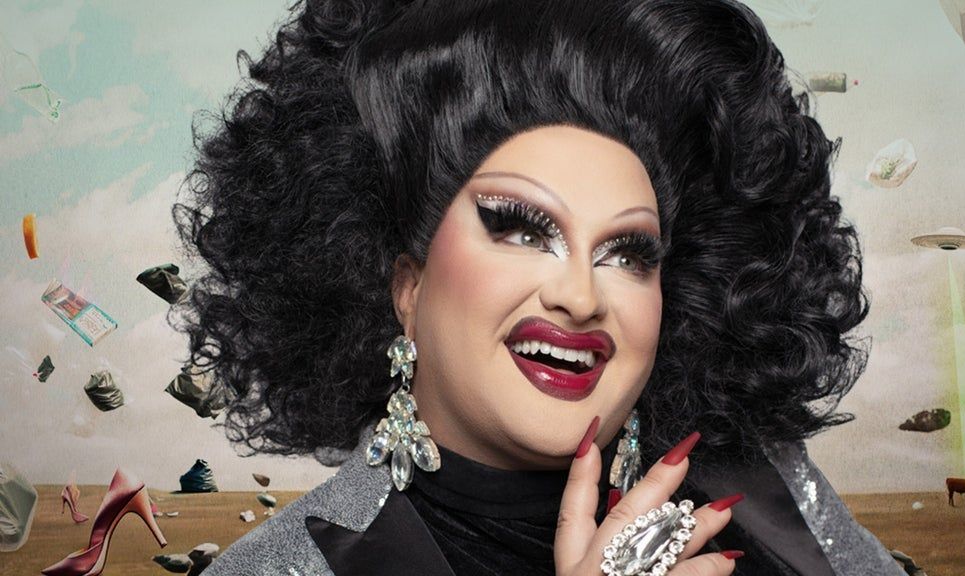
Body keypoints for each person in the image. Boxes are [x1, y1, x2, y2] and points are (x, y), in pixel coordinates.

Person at [175, 0, 904, 574]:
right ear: (406, 287)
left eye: (629, 253)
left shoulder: (769, 494)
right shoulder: (286, 568)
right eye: (521, 229)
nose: (580, 298)